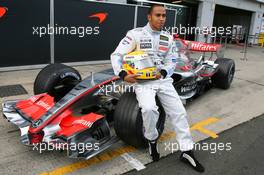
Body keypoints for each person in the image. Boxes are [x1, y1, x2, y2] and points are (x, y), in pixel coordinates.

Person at [110, 4, 205, 173]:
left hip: (162, 80)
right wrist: (123, 75)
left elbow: (172, 60)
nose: (161, 18)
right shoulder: (135, 34)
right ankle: (152, 141)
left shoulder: (168, 38)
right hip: (143, 82)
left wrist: (163, 72)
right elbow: (117, 55)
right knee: (148, 109)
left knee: (180, 112)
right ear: (149, 17)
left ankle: (186, 151)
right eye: (158, 15)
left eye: (164, 16)